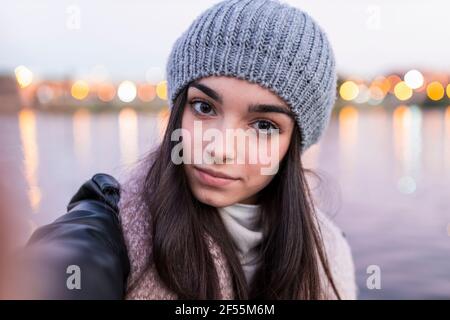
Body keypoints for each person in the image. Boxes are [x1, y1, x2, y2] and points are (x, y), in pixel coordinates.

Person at [25, 0, 357, 299]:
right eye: (204, 107)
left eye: (264, 126)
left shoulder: (330, 253)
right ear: (178, 110)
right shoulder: (115, 229)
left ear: (293, 144)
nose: (220, 149)